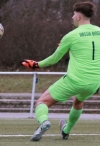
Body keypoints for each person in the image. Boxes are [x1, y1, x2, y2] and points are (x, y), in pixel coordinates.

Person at [22, 1, 100, 141]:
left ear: (79, 17)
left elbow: (54, 59)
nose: (72, 17)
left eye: (74, 14)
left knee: (42, 102)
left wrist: (36, 64)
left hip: (74, 80)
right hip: (94, 82)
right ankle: (66, 130)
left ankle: (44, 122)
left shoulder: (71, 35)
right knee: (78, 101)